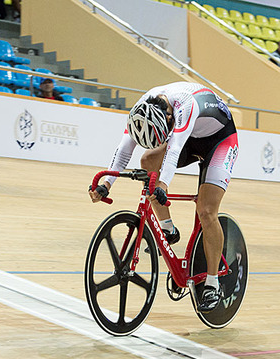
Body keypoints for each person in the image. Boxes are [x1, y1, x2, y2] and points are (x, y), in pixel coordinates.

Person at [88, 82, 239, 313]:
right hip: (189, 136)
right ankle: (168, 229)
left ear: (169, 120)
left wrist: (163, 185)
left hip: (219, 140)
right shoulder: (141, 110)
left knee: (207, 212)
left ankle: (212, 283)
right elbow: (125, 148)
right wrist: (106, 184)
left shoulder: (184, 105)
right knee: (148, 161)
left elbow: (175, 148)